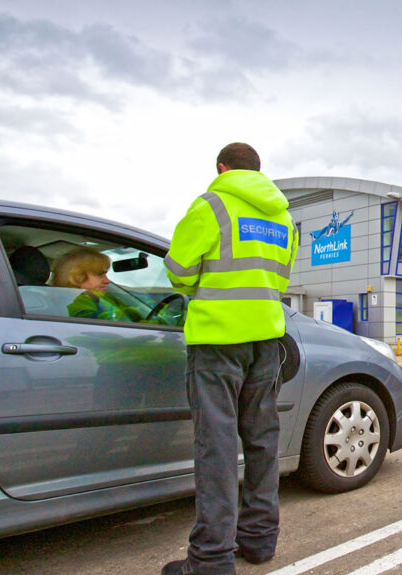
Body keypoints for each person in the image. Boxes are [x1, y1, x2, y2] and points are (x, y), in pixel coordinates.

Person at [162, 143, 298, 575]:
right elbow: (281, 276)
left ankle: (210, 559)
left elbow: (179, 271)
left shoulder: (211, 205)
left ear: (222, 167)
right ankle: (259, 541)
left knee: (216, 448)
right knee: (262, 442)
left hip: (218, 341)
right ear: (258, 171)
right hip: (267, 342)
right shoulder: (282, 217)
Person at [51, 247, 140, 322]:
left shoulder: (96, 299)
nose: (107, 281)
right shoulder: (75, 306)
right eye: (99, 274)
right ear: (77, 277)